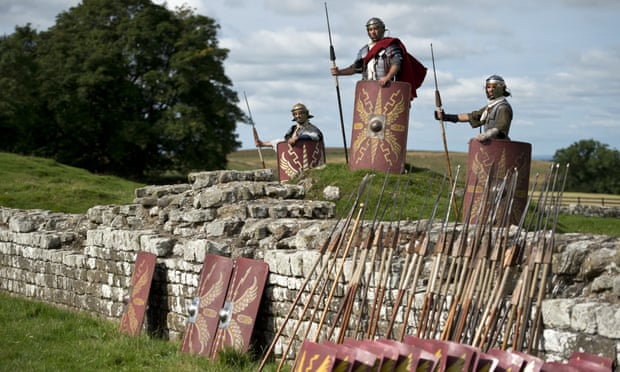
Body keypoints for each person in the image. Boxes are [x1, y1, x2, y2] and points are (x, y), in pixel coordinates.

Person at [330, 17, 426, 99]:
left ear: (382, 29)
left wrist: (387, 77)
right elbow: (356, 68)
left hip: (387, 89)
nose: (373, 32)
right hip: (369, 91)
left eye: (376, 29)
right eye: (370, 29)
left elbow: (396, 64)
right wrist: (339, 72)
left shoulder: (390, 46)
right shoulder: (364, 51)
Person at [435, 75, 513, 142]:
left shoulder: (503, 107)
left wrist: (486, 135)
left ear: (500, 89)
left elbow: (500, 128)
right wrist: (445, 117)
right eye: (488, 87)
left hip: (500, 147)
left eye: (494, 87)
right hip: (490, 144)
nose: (490, 90)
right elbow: (471, 116)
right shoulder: (490, 107)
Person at [255, 103, 323, 150]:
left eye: (300, 113)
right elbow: (283, 141)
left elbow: (315, 136)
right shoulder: (293, 129)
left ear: (306, 114)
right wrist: (263, 144)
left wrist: (297, 138)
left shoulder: (312, 129)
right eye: (295, 114)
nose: (298, 116)